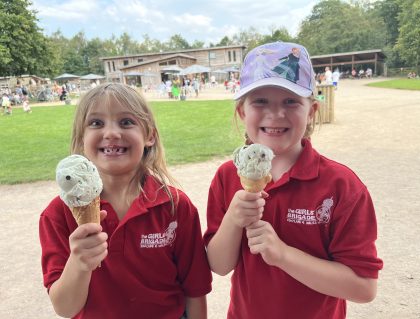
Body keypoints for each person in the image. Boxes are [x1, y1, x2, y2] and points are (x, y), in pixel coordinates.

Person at [204, 42, 383, 319]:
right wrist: (233, 219)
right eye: (260, 101)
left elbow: (363, 286)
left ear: (311, 111)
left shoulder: (341, 186)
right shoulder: (228, 177)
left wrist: (283, 255)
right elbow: (218, 264)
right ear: (242, 112)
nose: (276, 114)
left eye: (290, 101)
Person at [39, 83, 212, 319]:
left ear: (149, 135)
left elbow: (195, 290)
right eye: (96, 123)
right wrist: (79, 263)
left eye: (126, 122)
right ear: (81, 139)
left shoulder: (175, 206)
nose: (111, 133)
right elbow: (65, 308)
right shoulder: (58, 213)